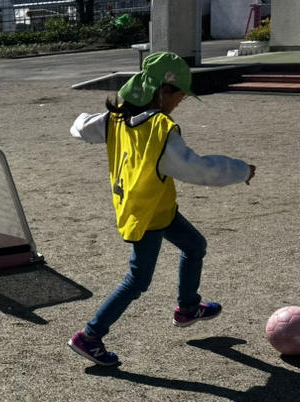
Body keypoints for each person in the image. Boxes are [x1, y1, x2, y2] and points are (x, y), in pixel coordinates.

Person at [66, 52, 256, 366]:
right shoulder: (160, 129)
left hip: (159, 207)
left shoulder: (115, 119)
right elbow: (197, 169)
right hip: (146, 215)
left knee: (195, 246)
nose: (180, 101)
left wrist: (89, 124)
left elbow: (82, 127)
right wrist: (240, 171)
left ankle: (187, 308)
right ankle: (90, 336)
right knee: (137, 281)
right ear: (161, 91)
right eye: (179, 94)